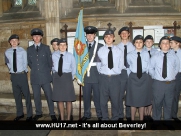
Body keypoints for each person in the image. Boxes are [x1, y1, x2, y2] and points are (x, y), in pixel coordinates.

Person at [27, 28, 57, 121]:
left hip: (45, 77)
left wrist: (45, 71)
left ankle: (52, 113)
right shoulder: (29, 49)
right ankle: (38, 113)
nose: (36, 38)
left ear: (41, 37)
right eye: (34, 36)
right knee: (36, 97)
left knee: (49, 95)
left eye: (38, 36)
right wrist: (37, 70)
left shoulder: (46, 48)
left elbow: (49, 63)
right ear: (32, 37)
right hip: (35, 77)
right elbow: (30, 63)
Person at [149, 36, 179, 121]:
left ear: (170, 45)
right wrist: (155, 76)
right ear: (160, 45)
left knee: (169, 104)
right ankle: (156, 121)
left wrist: (171, 76)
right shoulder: (155, 56)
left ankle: (167, 121)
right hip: (158, 84)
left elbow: (176, 68)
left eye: (167, 43)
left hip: (170, 84)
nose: (165, 44)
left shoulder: (174, 56)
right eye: (163, 43)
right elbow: (150, 68)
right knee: (157, 103)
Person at [97, 29, 124, 120]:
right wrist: (104, 73)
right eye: (106, 37)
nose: (108, 38)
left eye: (110, 36)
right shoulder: (100, 51)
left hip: (115, 78)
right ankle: (105, 118)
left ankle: (115, 118)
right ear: (104, 39)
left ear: (114, 38)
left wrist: (114, 72)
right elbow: (98, 65)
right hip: (103, 78)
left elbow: (121, 65)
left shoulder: (119, 51)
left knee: (115, 100)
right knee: (103, 101)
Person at [5, 34, 33, 121]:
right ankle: (20, 114)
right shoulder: (7, 52)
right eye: (12, 41)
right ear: (10, 42)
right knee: (17, 96)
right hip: (14, 76)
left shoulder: (23, 51)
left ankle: (29, 114)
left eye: (15, 41)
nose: (14, 42)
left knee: (26, 95)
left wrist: (22, 71)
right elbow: (8, 63)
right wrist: (13, 71)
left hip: (21, 75)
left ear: (18, 42)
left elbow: (25, 63)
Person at [79, 26, 103, 121]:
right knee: (86, 97)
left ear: (94, 35)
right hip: (85, 76)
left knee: (98, 97)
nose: (89, 36)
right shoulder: (81, 47)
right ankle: (87, 114)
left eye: (91, 34)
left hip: (96, 75)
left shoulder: (100, 46)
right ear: (86, 35)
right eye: (88, 35)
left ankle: (99, 114)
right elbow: (79, 61)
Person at [126, 35, 151, 121]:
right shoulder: (129, 55)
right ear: (134, 44)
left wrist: (146, 77)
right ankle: (132, 120)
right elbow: (128, 67)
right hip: (133, 78)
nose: (139, 44)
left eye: (140, 42)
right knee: (133, 100)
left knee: (142, 100)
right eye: (137, 42)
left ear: (143, 43)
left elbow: (148, 66)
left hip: (144, 78)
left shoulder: (146, 54)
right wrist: (131, 76)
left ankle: (141, 120)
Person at [52, 38, 76, 121]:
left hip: (67, 78)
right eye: (60, 45)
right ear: (58, 46)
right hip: (57, 78)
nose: (62, 46)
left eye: (64, 45)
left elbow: (74, 68)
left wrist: (70, 78)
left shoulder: (70, 56)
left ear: (66, 46)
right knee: (60, 99)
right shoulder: (53, 55)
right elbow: (52, 66)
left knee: (69, 100)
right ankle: (62, 118)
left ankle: (69, 118)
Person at [117, 26, 135, 121]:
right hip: (121, 72)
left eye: (126, 33)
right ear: (120, 35)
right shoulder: (116, 48)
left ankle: (128, 115)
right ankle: (120, 115)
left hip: (131, 72)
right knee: (119, 95)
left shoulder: (134, 47)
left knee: (130, 95)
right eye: (122, 33)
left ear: (129, 34)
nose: (124, 34)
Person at [143, 35, 158, 121]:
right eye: (147, 41)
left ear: (153, 43)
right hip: (144, 76)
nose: (149, 43)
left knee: (151, 95)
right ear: (144, 43)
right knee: (145, 95)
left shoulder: (157, 52)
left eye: (150, 41)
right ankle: (144, 114)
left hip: (153, 76)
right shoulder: (141, 51)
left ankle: (149, 113)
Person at [170, 36, 181, 121]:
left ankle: (174, 115)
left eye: (172, 42)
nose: (170, 44)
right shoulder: (169, 53)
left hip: (179, 76)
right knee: (169, 95)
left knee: (176, 95)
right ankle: (168, 114)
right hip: (170, 75)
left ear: (178, 43)